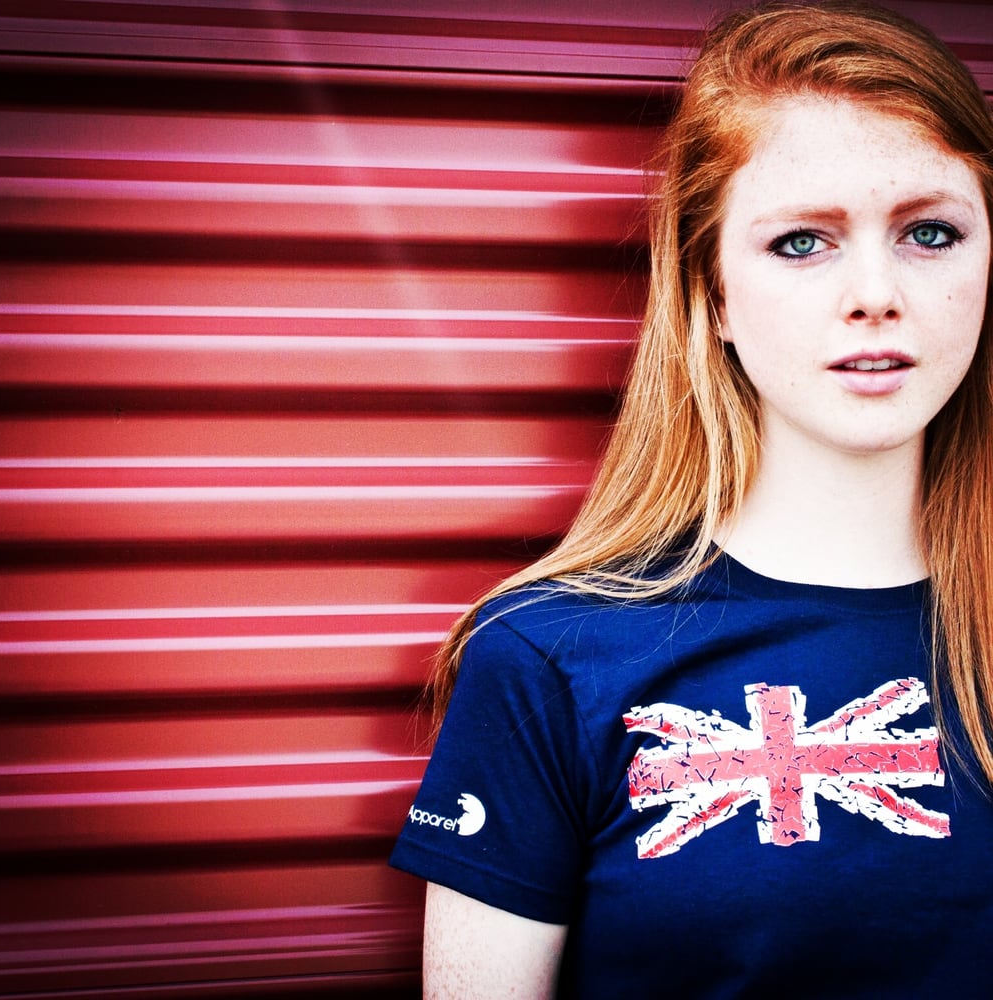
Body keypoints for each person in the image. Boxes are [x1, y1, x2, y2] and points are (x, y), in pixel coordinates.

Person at [390, 1, 993, 996]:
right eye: (801, 242)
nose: (875, 293)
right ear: (712, 294)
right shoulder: (551, 658)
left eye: (930, 232)